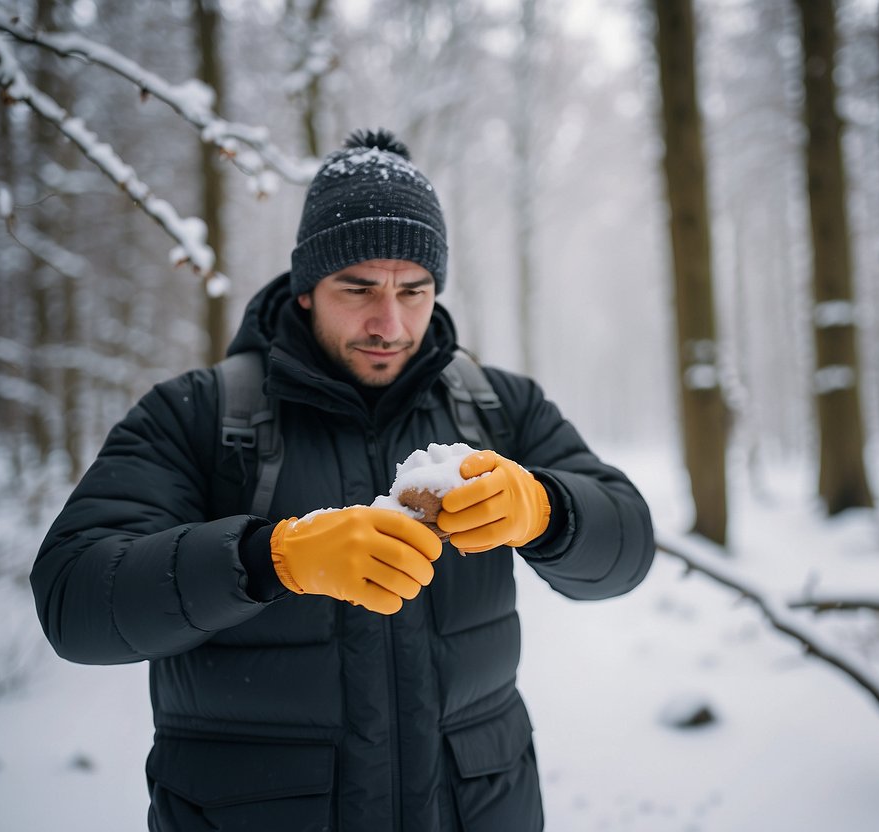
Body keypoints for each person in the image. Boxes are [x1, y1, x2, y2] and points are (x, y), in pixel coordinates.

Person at [32, 128, 655, 832]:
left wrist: (545, 511)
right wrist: (272, 558)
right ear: (305, 290)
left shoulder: (498, 406)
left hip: (477, 807)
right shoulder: (199, 413)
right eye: (357, 287)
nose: (388, 322)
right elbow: (74, 602)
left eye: (413, 291)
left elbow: (628, 548)